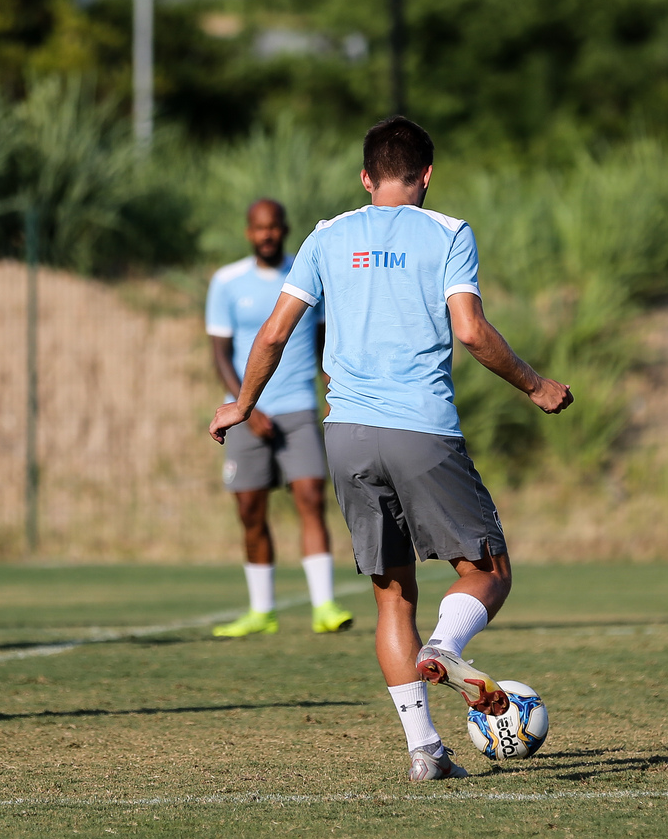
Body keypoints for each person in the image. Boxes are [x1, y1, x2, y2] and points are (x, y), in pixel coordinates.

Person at [209, 116, 573, 783]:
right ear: (427, 175)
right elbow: (471, 330)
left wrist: (242, 403)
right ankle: (446, 644)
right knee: (488, 570)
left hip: (344, 430)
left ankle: (426, 751)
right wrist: (535, 383)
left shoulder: (326, 235)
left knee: (391, 595)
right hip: (421, 429)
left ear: (366, 176)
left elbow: (272, 333)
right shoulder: (448, 232)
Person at [205, 199, 354, 638]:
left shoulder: (307, 273)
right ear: (248, 232)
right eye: (259, 228)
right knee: (250, 509)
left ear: (285, 229)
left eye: (274, 227)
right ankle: (261, 610)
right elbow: (220, 354)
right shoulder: (227, 281)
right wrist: (245, 409)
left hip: (298, 408)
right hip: (247, 412)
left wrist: (333, 387)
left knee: (310, 497)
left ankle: (324, 606)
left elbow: (324, 340)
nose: (267, 234)